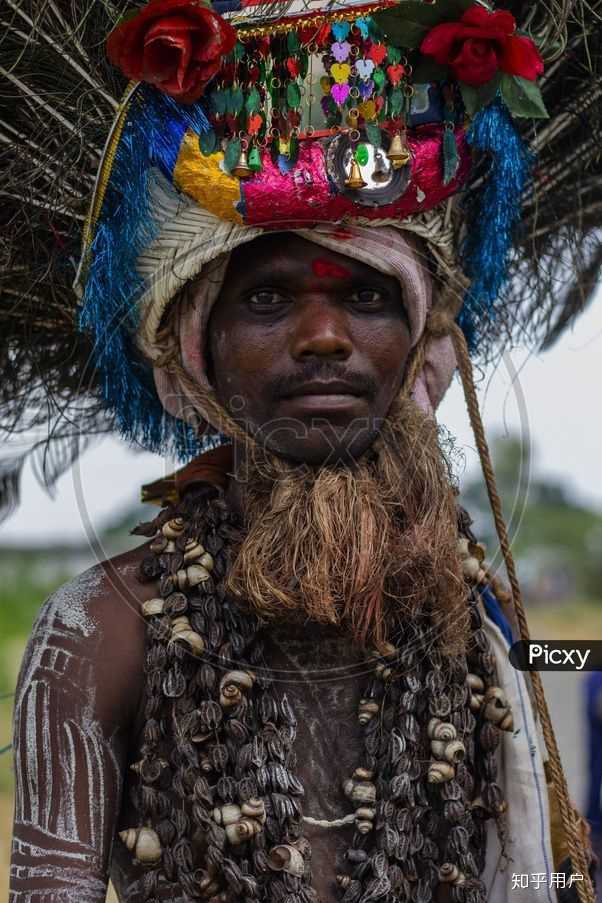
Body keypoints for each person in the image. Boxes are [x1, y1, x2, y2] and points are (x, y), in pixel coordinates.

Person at [3, 0, 600, 901]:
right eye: (269, 300)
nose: (324, 337)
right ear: (195, 354)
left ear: (421, 341)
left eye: (365, 296)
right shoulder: (99, 631)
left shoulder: (475, 631)